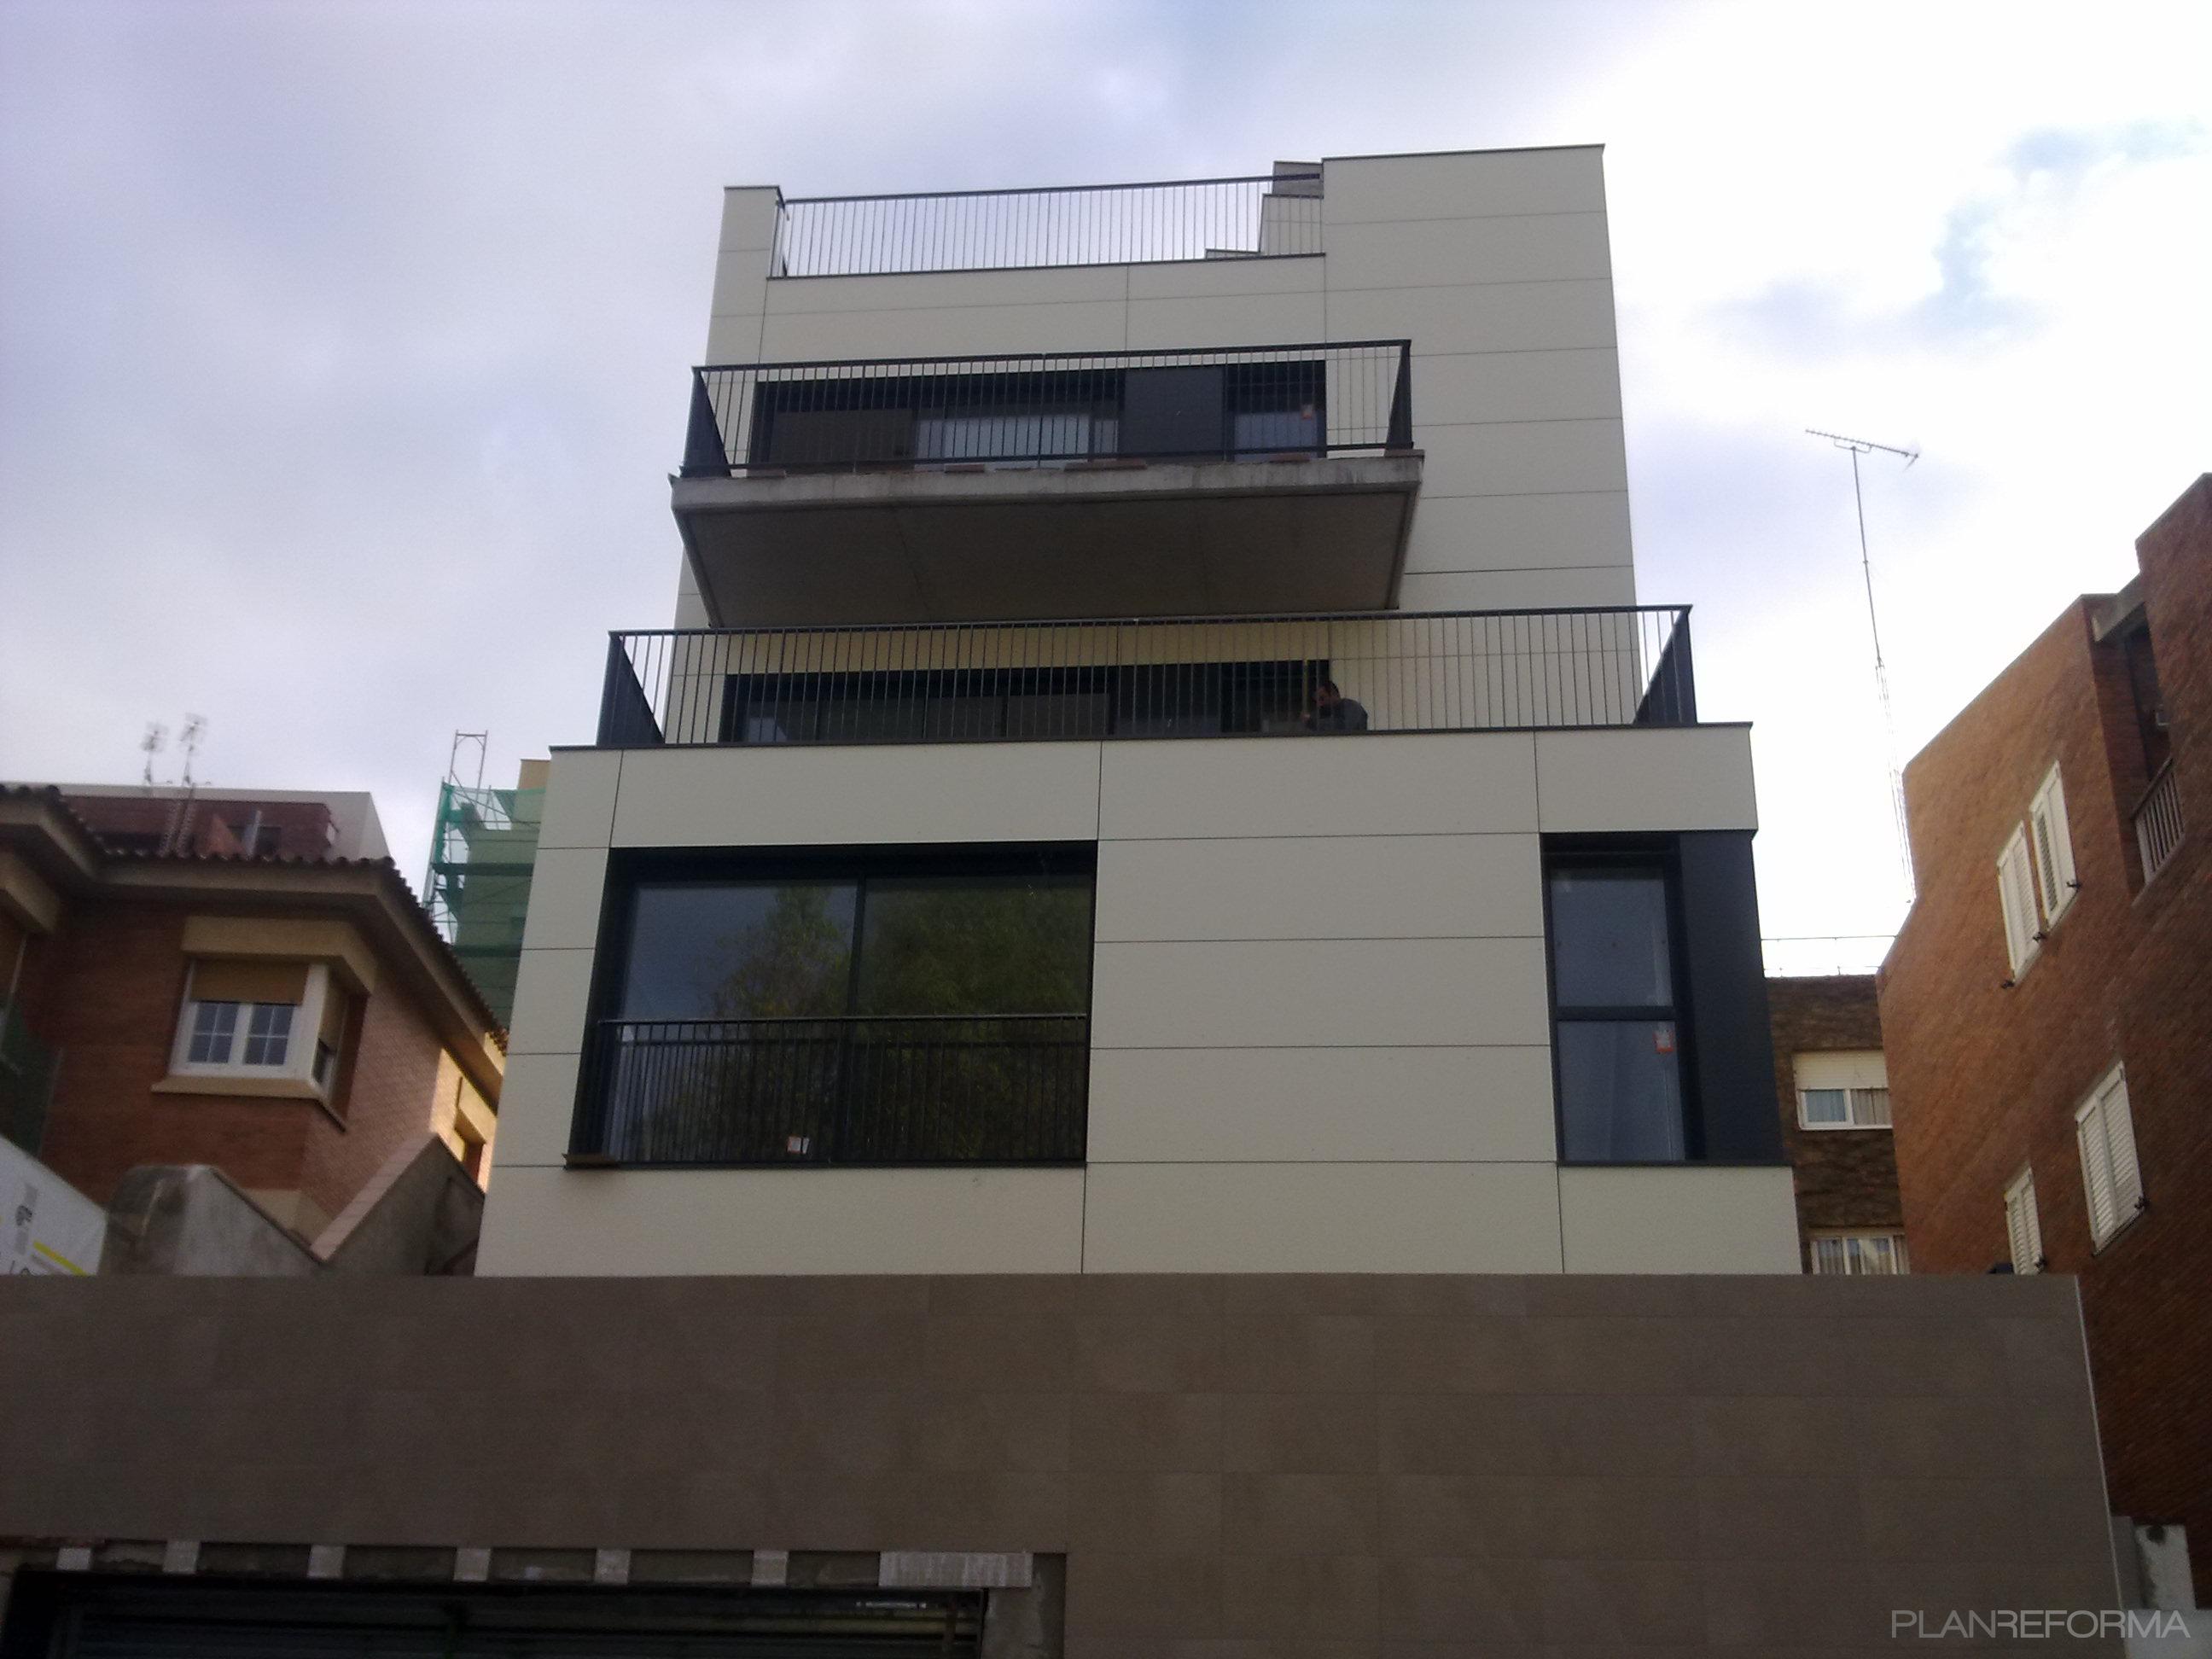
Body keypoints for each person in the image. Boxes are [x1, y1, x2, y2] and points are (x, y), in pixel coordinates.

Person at [1304, 678, 1369, 732]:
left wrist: (1313, 723)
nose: (1319, 704)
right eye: (1316, 701)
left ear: (1333, 694)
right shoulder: (1320, 712)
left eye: (1322, 699)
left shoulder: (1352, 707)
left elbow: (1344, 727)